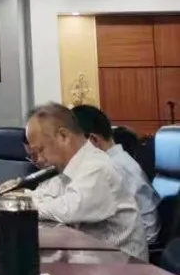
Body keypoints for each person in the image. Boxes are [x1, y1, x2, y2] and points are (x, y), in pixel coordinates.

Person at [24, 103, 147, 260]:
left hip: (120, 265)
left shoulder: (97, 167)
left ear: (63, 136)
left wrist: (22, 205)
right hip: (92, 256)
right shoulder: (72, 167)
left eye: (40, 150)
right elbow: (45, 194)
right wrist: (21, 198)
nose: (40, 159)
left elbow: (68, 210)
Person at [72, 105, 160, 244]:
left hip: (135, 247)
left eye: (72, 145)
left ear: (93, 140)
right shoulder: (115, 161)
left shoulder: (115, 168)